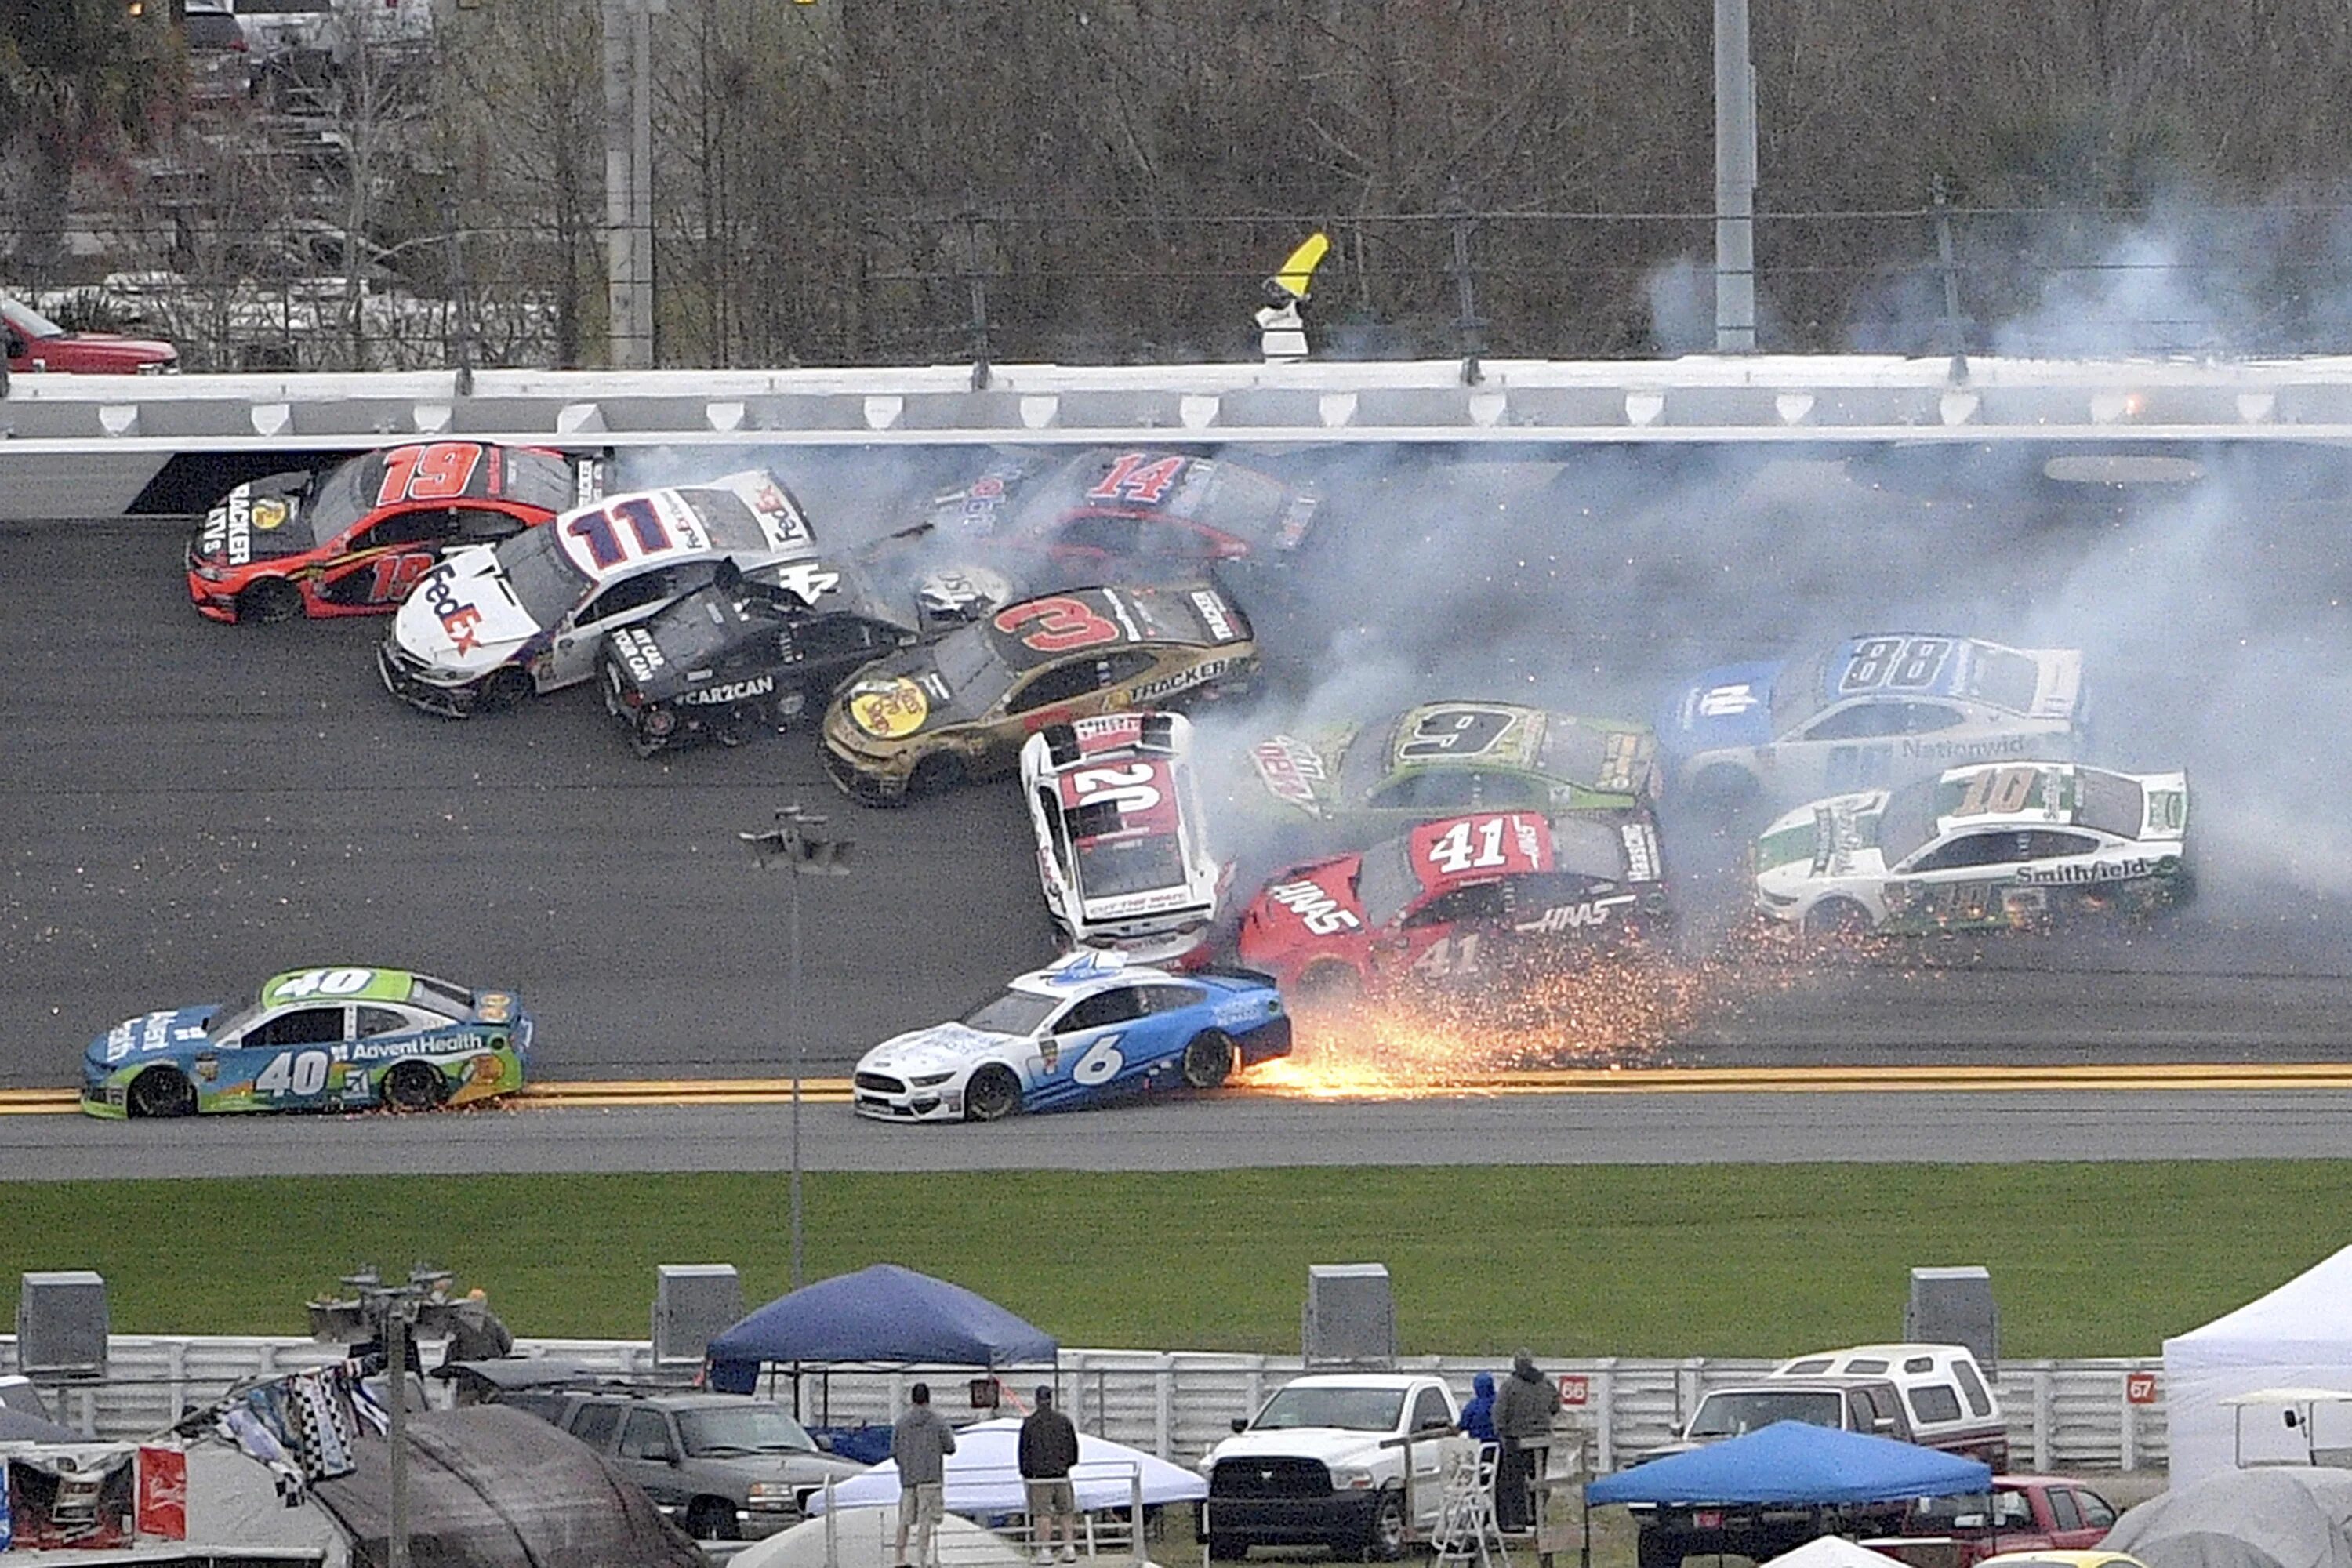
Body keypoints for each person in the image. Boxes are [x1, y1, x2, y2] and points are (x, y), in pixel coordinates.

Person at [1490, 1350, 1560, 1534]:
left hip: (1517, 1440)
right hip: (1542, 1439)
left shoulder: (1510, 1386)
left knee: (1514, 1481)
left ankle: (1518, 1520)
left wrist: (1503, 1432)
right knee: (1538, 1479)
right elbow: (1555, 1406)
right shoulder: (1545, 1383)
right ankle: (1538, 1516)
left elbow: (1499, 1414)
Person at [893, 1381, 958, 1568]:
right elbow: (951, 1447)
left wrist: (906, 1463)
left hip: (908, 1478)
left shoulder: (901, 1422)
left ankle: (899, 1556)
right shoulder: (937, 1421)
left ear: (912, 1399)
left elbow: (894, 1450)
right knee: (926, 1521)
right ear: (928, 1399)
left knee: (904, 1520)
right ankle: (922, 1558)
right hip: (930, 1478)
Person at [1018, 1385, 1082, 1564]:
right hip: (1062, 1474)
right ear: (1051, 1399)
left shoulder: (1030, 1423)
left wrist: (1027, 1473)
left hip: (1039, 1478)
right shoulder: (1064, 1422)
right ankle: (1069, 1548)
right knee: (1066, 1512)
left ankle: (1045, 1551)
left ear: (1036, 1400)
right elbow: (1073, 1449)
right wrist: (1066, 1465)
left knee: (1042, 1514)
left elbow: (1023, 1453)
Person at [437, 1289, 514, 1367]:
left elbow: (451, 1348)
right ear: (484, 1303)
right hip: (490, 1367)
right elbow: (507, 1344)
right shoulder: (493, 1322)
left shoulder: (458, 1323)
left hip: (467, 1367)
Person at [1460, 1370, 1497, 1445]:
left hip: (1479, 1446)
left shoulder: (1473, 1406)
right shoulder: (1501, 1401)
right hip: (1502, 1446)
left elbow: (1463, 1425)